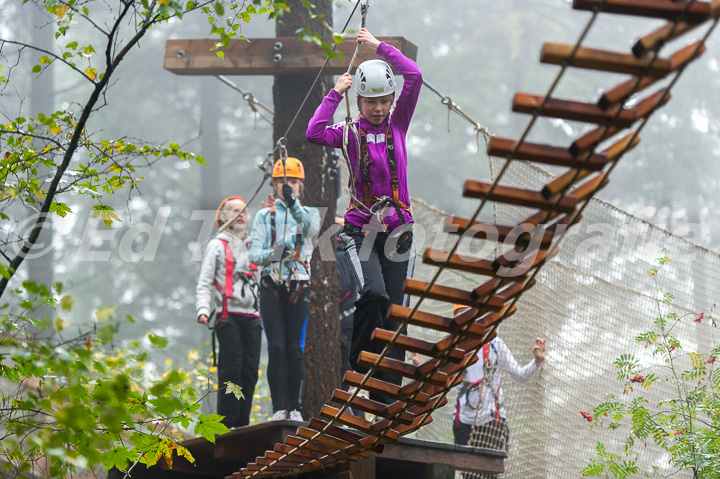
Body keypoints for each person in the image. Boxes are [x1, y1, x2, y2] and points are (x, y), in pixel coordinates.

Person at [306, 28, 422, 403]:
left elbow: (415, 76)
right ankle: (358, 367)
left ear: (391, 100)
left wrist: (379, 48)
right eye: (370, 100)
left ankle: (389, 394)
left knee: (397, 311)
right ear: (360, 99)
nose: (377, 107)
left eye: (383, 100)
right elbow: (314, 132)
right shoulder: (348, 132)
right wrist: (334, 92)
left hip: (399, 231)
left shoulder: (399, 124)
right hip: (362, 232)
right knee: (373, 294)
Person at [248, 157, 320, 422]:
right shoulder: (263, 216)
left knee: (294, 348)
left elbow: (311, 228)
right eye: (282, 182)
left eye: (291, 182)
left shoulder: (310, 212)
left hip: (299, 285)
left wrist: (292, 205)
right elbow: (255, 254)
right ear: (274, 184)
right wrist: (278, 252)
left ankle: (297, 408)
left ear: (299, 185)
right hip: (271, 285)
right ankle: (279, 408)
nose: (286, 185)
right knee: (276, 347)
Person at [451, 305, 547, 478]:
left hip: (492, 422)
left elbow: (519, 375)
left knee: (491, 474)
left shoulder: (494, 344)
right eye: (459, 317)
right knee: (469, 476)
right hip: (464, 422)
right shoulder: (453, 347)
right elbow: (443, 383)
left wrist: (536, 362)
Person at [195, 196, 261, 429]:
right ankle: (227, 424)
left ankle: (242, 424)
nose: (240, 214)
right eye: (234, 211)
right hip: (228, 315)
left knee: (250, 372)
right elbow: (205, 281)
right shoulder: (217, 245)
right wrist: (203, 309)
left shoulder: (255, 245)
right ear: (223, 217)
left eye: (243, 211)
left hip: (253, 317)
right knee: (231, 370)